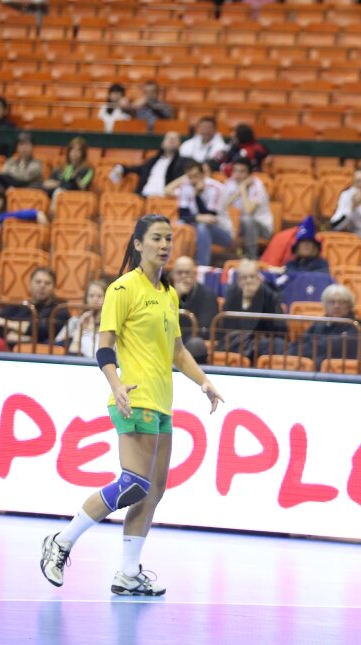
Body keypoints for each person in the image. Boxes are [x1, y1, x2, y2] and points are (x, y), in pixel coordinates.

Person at [40, 214, 224, 596]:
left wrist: (204, 382)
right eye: (156, 238)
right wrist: (116, 383)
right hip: (133, 396)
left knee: (153, 490)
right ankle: (61, 541)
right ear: (138, 244)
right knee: (134, 483)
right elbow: (104, 346)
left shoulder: (169, 294)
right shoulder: (122, 289)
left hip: (162, 403)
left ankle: (127, 572)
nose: (164, 245)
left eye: (168, 238)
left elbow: (177, 351)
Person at [218, 258, 286, 358]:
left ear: (259, 278)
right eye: (244, 278)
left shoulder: (271, 296)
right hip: (238, 343)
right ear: (239, 281)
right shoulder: (232, 296)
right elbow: (228, 329)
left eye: (252, 276)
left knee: (278, 345)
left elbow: (280, 330)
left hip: (263, 344)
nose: (248, 281)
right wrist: (246, 303)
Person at [169, 160, 233, 266]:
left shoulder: (216, 188)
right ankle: (173, 265)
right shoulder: (185, 186)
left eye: (196, 176)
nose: (193, 180)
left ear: (203, 174)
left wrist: (197, 196)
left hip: (222, 231)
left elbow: (210, 217)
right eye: (190, 177)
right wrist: (198, 217)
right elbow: (182, 214)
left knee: (203, 227)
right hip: (196, 225)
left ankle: (202, 267)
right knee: (177, 225)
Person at [291, 283, 361, 366]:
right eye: (332, 302)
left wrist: (311, 345)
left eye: (342, 302)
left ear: (349, 306)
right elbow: (298, 343)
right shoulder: (319, 324)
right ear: (325, 305)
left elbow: (334, 347)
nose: (336, 306)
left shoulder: (357, 326)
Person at [0, 267, 66, 345]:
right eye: (38, 282)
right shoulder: (17, 306)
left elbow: (45, 331)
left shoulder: (60, 309)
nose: (42, 286)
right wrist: (28, 338)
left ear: (54, 287)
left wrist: (8, 323)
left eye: (47, 283)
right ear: (30, 284)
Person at [221, 157, 273, 258]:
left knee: (247, 220)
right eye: (235, 171)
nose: (237, 175)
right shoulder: (229, 183)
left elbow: (249, 211)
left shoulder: (257, 186)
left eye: (241, 171)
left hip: (262, 228)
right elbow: (222, 207)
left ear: (249, 174)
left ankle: (251, 258)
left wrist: (243, 189)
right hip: (237, 225)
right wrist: (239, 192)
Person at [169, 255, 217, 362]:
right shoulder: (164, 294)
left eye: (187, 272)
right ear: (172, 275)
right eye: (179, 273)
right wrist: (176, 297)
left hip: (192, 345)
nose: (183, 276)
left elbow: (205, 330)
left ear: (195, 274)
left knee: (196, 345)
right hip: (167, 341)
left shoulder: (207, 295)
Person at [114, 132, 189, 198]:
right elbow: (133, 168)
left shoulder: (184, 162)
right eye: (169, 138)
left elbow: (194, 171)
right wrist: (121, 168)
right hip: (144, 196)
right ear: (162, 143)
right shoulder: (151, 162)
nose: (172, 140)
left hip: (165, 198)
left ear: (180, 144)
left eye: (175, 139)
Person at [55, 279, 108, 356]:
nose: (95, 299)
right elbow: (57, 346)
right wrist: (80, 328)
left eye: (99, 296)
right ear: (86, 299)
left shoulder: (111, 324)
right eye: (91, 296)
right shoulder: (75, 321)